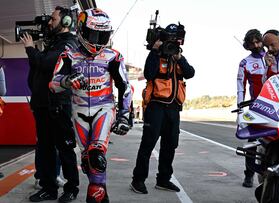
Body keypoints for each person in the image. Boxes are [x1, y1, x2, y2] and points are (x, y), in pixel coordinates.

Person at [49, 8, 131, 203]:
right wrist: (67, 81)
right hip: (78, 112)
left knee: (96, 155)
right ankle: (101, 193)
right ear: (82, 30)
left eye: (103, 35)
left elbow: (125, 87)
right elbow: (53, 84)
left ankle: (95, 196)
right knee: (88, 161)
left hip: (103, 108)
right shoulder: (68, 55)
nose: (98, 40)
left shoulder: (113, 57)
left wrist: (125, 114)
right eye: (94, 34)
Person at [20, 6, 79, 202]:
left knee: (64, 147)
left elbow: (46, 64)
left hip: (57, 105)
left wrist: (30, 48)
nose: (49, 23)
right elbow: (38, 70)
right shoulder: (52, 43)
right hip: (43, 105)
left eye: (53, 20)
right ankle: (48, 188)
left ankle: (71, 189)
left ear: (65, 22)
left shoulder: (68, 44)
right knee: (44, 148)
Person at [130, 23, 195, 194]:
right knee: (148, 144)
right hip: (156, 107)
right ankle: (138, 180)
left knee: (170, 144)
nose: (172, 42)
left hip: (173, 108)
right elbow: (149, 74)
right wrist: (155, 51)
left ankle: (164, 179)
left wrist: (179, 57)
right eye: (170, 39)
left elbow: (190, 73)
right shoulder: (155, 55)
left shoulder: (179, 56)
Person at [237, 29, 268, 188]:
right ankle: (249, 174)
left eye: (258, 41)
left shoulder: (273, 56)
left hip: (278, 106)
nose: (256, 45)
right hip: (257, 107)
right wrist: (240, 112)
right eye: (252, 43)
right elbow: (240, 88)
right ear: (247, 45)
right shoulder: (245, 62)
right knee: (252, 142)